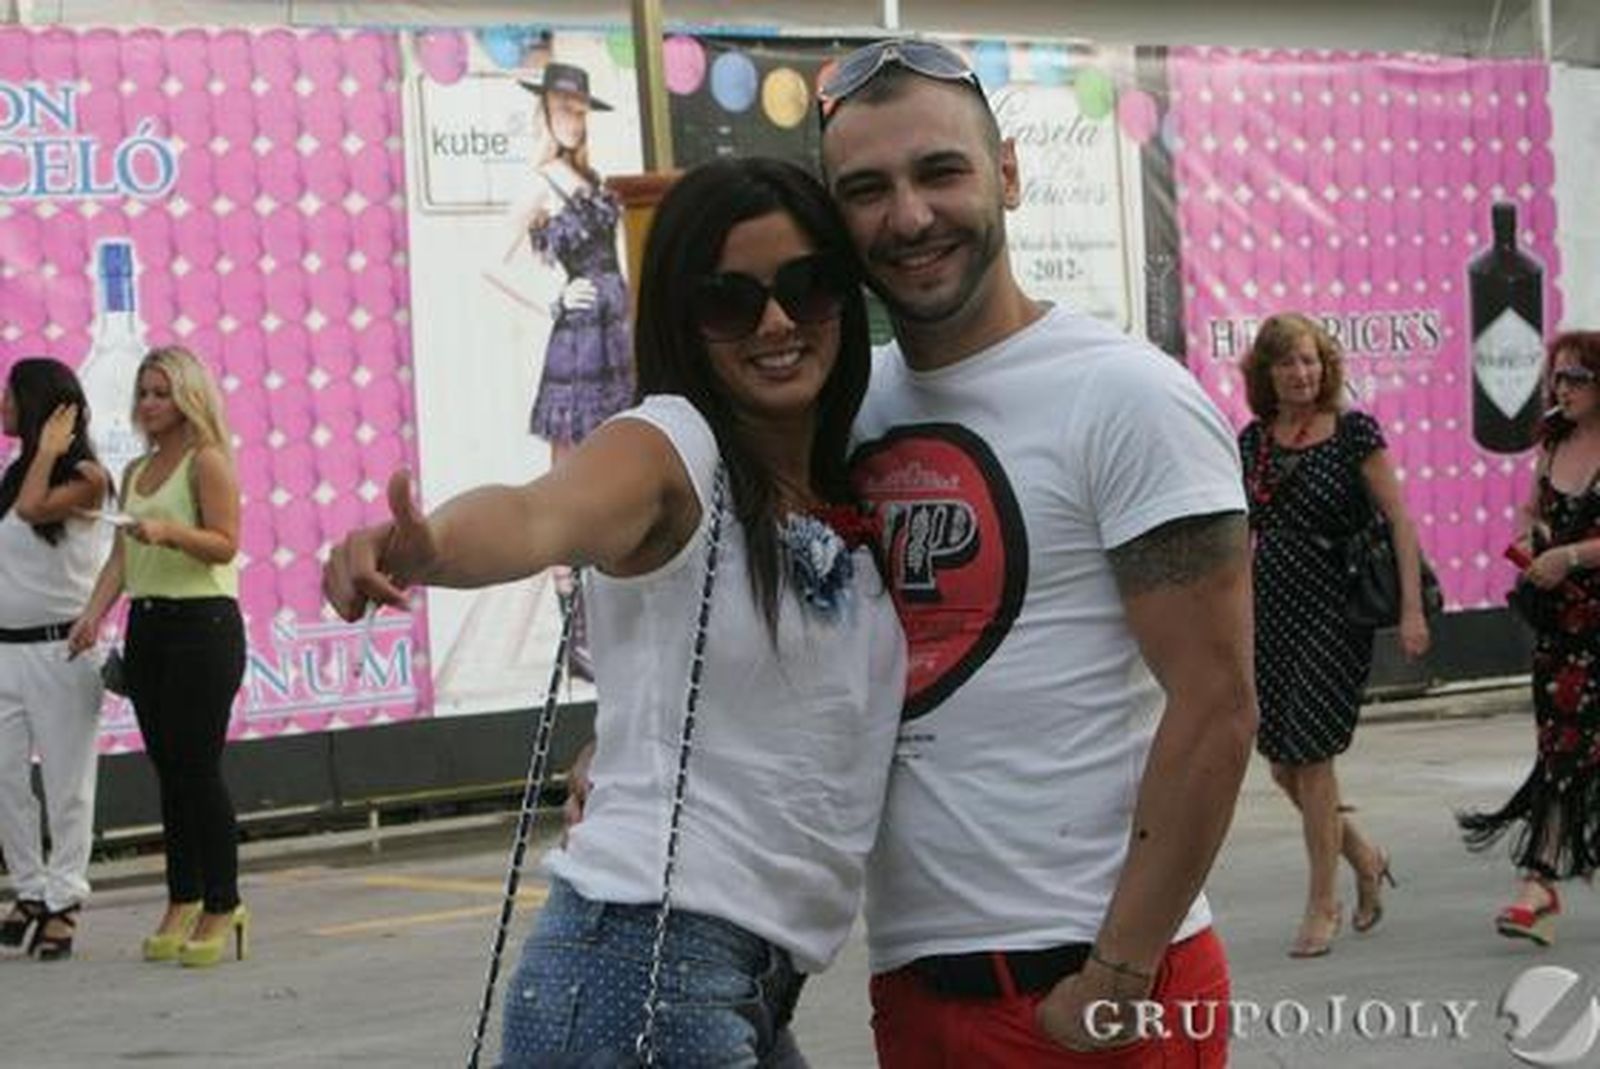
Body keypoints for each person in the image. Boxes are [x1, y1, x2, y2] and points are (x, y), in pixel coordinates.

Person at [324, 157, 904, 1067]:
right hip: (644, 974)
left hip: (734, 982)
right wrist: (428, 545)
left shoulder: (843, 477)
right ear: (682, 319)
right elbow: (539, 511)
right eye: (731, 302)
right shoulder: (671, 447)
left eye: (806, 287)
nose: (779, 322)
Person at [817, 39, 1257, 1066]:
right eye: (866, 189)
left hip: (1098, 991)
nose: (909, 217)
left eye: (940, 172)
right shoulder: (843, 413)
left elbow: (1217, 700)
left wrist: (1118, 970)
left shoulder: (1125, 396)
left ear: (1006, 173)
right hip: (915, 989)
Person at [1237, 313, 1430, 959]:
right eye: (1288, 362)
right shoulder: (1253, 441)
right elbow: (1240, 538)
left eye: (1311, 360)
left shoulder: (1353, 431)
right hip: (1272, 605)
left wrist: (1411, 609)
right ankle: (1365, 856)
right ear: (1266, 373)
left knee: (1313, 756)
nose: (1302, 373)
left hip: (1336, 606)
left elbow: (1398, 520)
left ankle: (1324, 902)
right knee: (1283, 763)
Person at [67, 345, 247, 968]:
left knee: (198, 769)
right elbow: (121, 558)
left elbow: (225, 546)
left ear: (188, 397)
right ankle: (183, 896)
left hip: (204, 626)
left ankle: (224, 901)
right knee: (169, 772)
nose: (147, 404)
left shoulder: (208, 463)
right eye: (143, 392)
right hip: (149, 628)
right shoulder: (137, 470)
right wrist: (94, 614)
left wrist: (170, 533)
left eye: (160, 393)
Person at [487, 60, 634, 679]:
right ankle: (577, 634)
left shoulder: (590, 177)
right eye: (563, 108)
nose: (572, 118)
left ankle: (612, 616)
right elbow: (495, 262)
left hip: (617, 336)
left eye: (579, 109)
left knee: (618, 468)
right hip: (578, 344)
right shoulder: (541, 183)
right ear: (545, 111)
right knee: (568, 479)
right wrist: (552, 297)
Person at [1460, 330, 1600, 947]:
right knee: (1560, 747)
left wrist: (1570, 555)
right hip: (1560, 629)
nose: (1561, 389)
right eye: (1557, 378)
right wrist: (1532, 547)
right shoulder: (1554, 442)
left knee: (1571, 751)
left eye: (1575, 379)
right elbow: (1527, 517)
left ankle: (1538, 883)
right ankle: (1539, 884)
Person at [0, 358, 112, 961]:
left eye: (11, 396)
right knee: (4, 779)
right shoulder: (15, 475)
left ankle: (64, 898)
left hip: (60, 649)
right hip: (5, 651)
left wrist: (47, 449)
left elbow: (34, 511)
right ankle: (30, 888)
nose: (2, 406)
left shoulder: (89, 477)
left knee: (68, 783)